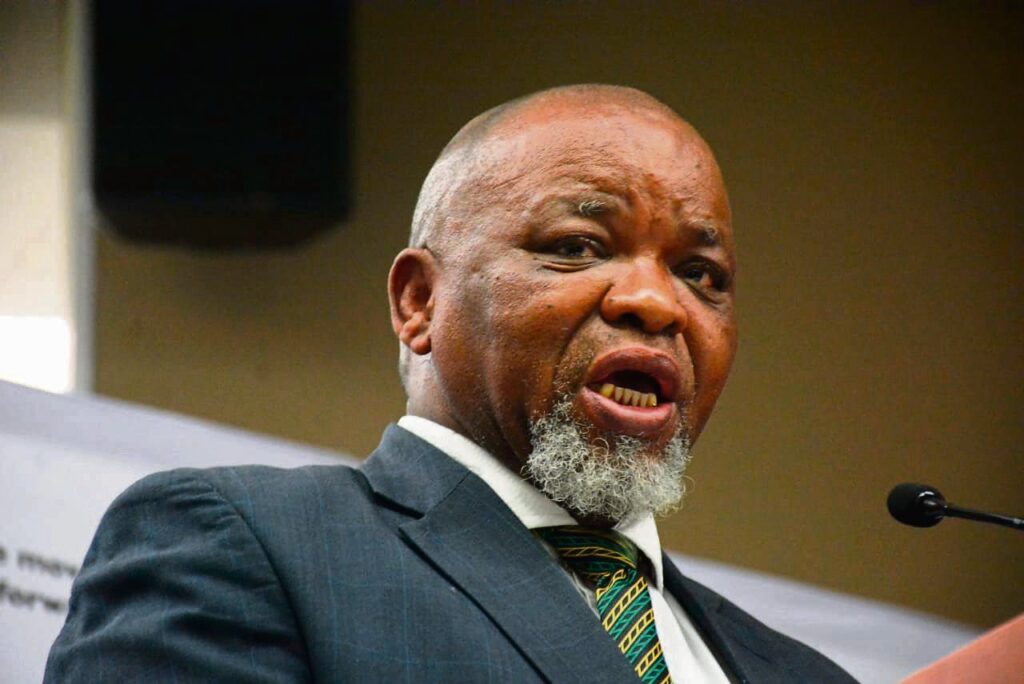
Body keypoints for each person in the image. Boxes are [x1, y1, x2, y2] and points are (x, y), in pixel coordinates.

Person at [46, 85, 856, 683]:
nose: (656, 301)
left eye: (701, 273)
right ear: (419, 302)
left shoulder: (804, 675)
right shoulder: (239, 546)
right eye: (577, 246)